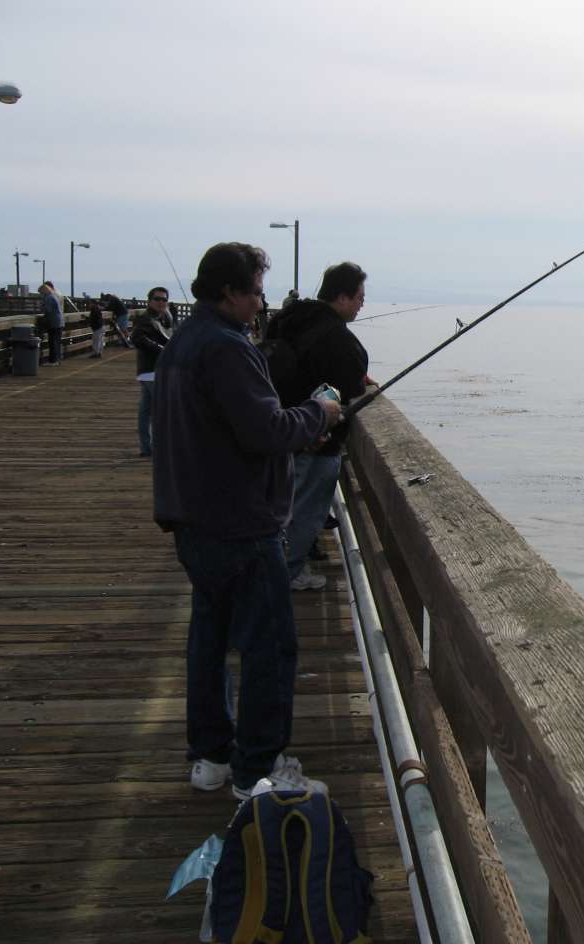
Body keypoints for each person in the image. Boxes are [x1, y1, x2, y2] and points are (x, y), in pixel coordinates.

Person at [151, 241, 342, 800]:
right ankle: (256, 768)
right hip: (238, 523)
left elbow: (234, 426)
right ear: (231, 292)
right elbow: (265, 431)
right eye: (257, 291)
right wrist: (320, 413)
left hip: (192, 519)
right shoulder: (227, 348)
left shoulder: (183, 343)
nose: (262, 302)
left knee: (209, 641)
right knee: (269, 648)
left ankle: (211, 756)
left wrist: (298, 421)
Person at [264, 262, 374, 590]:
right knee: (306, 512)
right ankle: (289, 574)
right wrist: (362, 382)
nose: (361, 304)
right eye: (358, 298)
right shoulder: (337, 338)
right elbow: (349, 387)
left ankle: (273, 571)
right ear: (341, 297)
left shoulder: (287, 319)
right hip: (317, 441)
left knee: (281, 510)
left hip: (280, 430)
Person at [131, 286, 177, 457]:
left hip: (158, 369)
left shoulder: (166, 317)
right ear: (149, 301)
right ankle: (159, 447)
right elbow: (136, 338)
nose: (161, 302)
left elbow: (172, 335)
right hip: (150, 370)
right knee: (161, 410)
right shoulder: (144, 318)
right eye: (157, 299)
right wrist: (160, 349)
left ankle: (146, 448)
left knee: (146, 409)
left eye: (164, 299)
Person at [38, 281, 65, 365]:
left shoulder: (48, 298)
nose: (40, 294)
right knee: (57, 341)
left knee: (52, 342)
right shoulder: (53, 296)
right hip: (59, 321)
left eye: (41, 292)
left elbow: (48, 310)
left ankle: (53, 361)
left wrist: (42, 306)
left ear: (44, 291)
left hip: (54, 322)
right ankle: (57, 360)